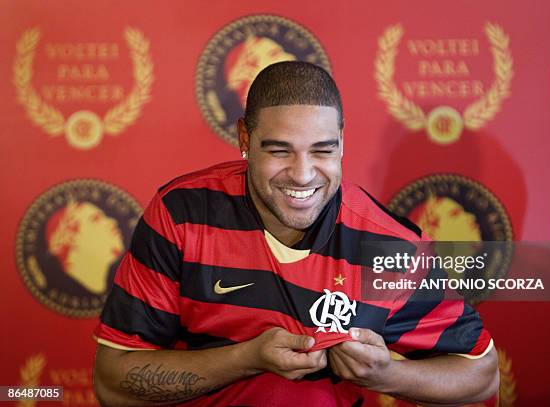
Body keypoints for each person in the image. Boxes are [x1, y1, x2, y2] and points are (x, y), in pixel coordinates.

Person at [93, 61, 499, 406]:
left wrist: (386, 375)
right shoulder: (182, 213)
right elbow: (112, 381)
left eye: (322, 150)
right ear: (245, 140)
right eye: (280, 150)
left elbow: (481, 374)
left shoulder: (390, 245)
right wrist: (248, 358)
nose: (303, 174)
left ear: (342, 142)